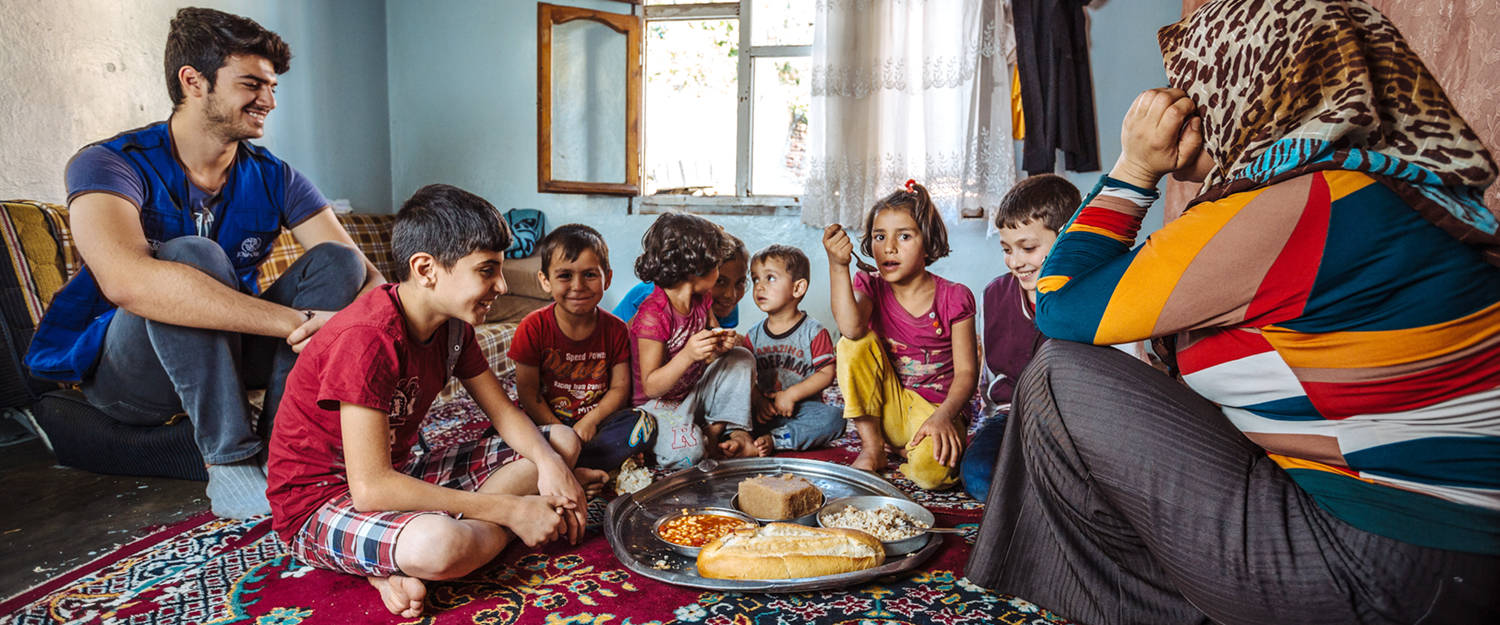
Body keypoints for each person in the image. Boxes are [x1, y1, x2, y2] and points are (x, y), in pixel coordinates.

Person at [965, 1, 1500, 623]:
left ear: (1249, 89)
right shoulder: (1371, 189)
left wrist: (1135, 167)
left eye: (1189, 89)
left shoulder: (1306, 203)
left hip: (1389, 567)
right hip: (1434, 559)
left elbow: (1056, 306)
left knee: (1060, 375)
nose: (1173, 107)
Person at [24, 8, 383, 519]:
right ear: (192, 81)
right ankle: (231, 460)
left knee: (337, 262)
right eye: (251, 84)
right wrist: (300, 325)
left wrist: (372, 337)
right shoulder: (110, 162)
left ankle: (286, 445)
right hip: (131, 374)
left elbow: (365, 277)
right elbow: (127, 281)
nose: (269, 101)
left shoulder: (276, 176)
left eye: (273, 86)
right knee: (192, 255)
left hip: (231, 355)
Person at [266, 185, 606, 619]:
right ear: (426, 268)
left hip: (398, 473)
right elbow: (370, 489)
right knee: (439, 545)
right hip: (321, 501)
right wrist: (512, 510)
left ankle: (393, 561)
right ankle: (453, 546)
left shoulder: (452, 327)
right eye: (487, 270)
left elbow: (503, 412)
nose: (500, 285)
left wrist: (556, 470)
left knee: (559, 441)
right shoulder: (367, 339)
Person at [823, 180, 979, 490]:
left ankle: (904, 451)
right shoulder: (870, 285)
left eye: (904, 236)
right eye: (879, 237)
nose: (889, 248)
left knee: (931, 476)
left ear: (928, 243)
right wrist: (838, 266)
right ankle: (872, 447)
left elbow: (967, 372)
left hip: (936, 412)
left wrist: (945, 416)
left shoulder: (955, 297)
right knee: (852, 344)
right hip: (887, 409)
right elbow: (852, 328)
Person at [958, 174, 1075, 501]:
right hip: (1010, 418)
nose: (1015, 261)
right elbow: (987, 379)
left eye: (1028, 248)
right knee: (980, 477)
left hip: (1071, 423)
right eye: (1007, 249)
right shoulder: (994, 295)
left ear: (1067, 238)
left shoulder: (1089, 294)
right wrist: (986, 426)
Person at [509, 224, 655, 472]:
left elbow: (620, 388)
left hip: (597, 423)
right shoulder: (532, 327)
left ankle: (574, 467)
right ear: (545, 281)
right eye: (565, 275)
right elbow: (529, 394)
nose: (578, 285)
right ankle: (595, 466)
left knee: (643, 423)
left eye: (589, 275)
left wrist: (591, 421)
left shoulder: (617, 329)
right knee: (512, 430)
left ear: (607, 278)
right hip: (547, 421)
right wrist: (561, 431)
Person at [629, 213, 758, 469]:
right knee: (689, 454)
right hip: (656, 405)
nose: (719, 270)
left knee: (741, 358)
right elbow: (652, 386)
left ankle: (715, 429)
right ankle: (687, 436)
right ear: (696, 269)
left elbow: (712, 342)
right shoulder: (653, 315)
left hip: (692, 391)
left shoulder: (702, 300)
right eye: (717, 266)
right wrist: (687, 355)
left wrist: (720, 345)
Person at [744, 245, 845, 456]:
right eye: (755, 279)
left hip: (802, 409)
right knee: (730, 413)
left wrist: (791, 394)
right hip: (764, 410)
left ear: (797, 288)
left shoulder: (814, 332)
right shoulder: (752, 336)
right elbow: (743, 378)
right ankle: (745, 440)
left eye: (770, 278)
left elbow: (826, 374)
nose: (759, 287)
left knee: (835, 419)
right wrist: (759, 401)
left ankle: (776, 439)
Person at [611, 233, 748, 329]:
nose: (731, 294)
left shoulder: (724, 304)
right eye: (720, 281)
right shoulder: (658, 298)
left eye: (740, 282)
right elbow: (625, 346)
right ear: (694, 273)